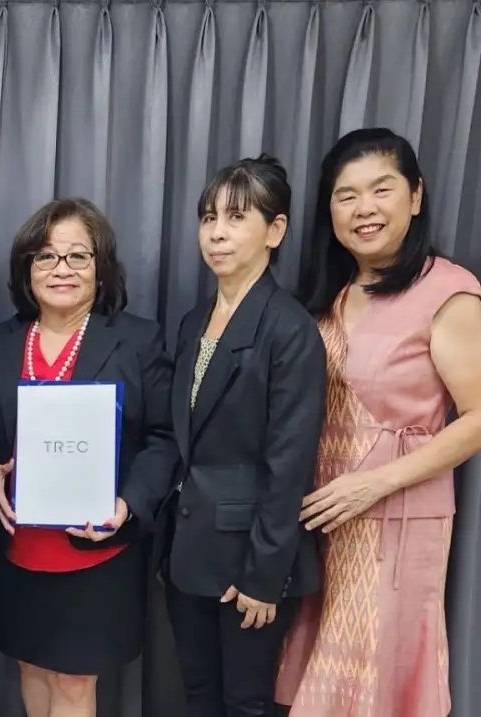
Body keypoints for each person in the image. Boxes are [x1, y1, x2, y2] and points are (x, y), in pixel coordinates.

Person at [274, 129, 481, 717]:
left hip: (397, 521)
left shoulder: (448, 291)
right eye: (346, 196)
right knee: (323, 682)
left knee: (375, 688)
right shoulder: (331, 292)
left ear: (415, 196)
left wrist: (374, 484)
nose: (364, 208)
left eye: (381, 189)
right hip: (323, 517)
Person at [0, 198, 179, 716]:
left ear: (100, 268)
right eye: (45, 256)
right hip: (19, 545)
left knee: (72, 683)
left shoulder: (137, 341)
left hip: (97, 547)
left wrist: (128, 504)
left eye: (77, 256)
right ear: (26, 269)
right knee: (30, 667)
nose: (61, 268)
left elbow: (165, 437)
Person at [153, 155, 326, 717]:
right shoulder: (194, 321)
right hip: (188, 548)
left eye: (236, 217)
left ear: (275, 231)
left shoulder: (290, 329)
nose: (217, 233)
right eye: (208, 218)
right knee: (198, 694)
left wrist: (264, 576)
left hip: (248, 559)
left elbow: (289, 463)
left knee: (246, 703)